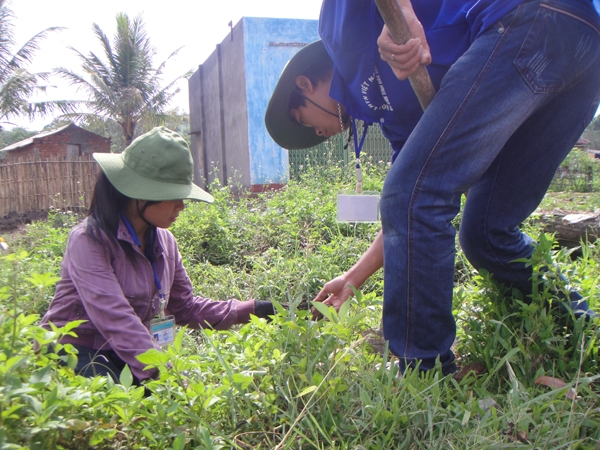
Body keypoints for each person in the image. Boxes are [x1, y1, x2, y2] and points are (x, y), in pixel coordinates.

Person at [265, 0, 600, 375]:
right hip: (579, 50)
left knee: (411, 194)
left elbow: (409, 198)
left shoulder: (338, 30)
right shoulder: (386, 115)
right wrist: (352, 279)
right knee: (486, 233)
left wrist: (403, 12)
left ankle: (421, 369)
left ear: (305, 84)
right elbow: (407, 212)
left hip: (529, 18)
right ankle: (586, 329)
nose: (318, 132)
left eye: (304, 119)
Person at [40, 127, 275, 385]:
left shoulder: (165, 242)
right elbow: (117, 320)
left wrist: (253, 309)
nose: (181, 206)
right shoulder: (88, 240)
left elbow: (185, 308)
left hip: (127, 353)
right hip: (76, 351)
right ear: (140, 193)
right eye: (173, 196)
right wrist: (170, 375)